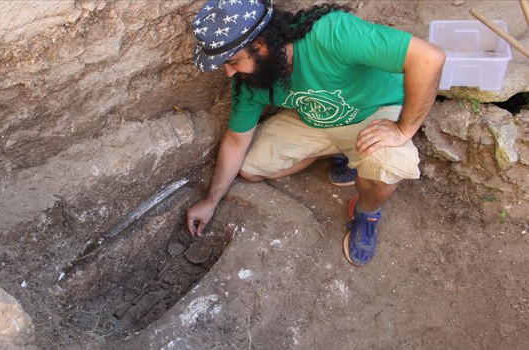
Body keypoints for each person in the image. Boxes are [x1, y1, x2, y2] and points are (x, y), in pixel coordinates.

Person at [186, 0, 445, 266]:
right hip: (313, 118)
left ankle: (366, 212)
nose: (229, 73)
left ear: (260, 46)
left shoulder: (330, 33)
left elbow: (429, 58)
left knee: (389, 167)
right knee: (251, 168)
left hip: (373, 113)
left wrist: (403, 129)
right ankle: (344, 155)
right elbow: (236, 140)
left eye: (232, 61)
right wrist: (211, 200)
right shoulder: (250, 81)